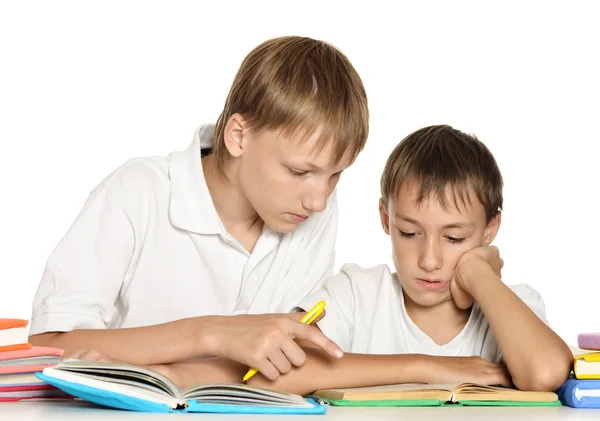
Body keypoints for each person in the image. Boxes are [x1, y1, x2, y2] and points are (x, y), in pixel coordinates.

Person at [28, 35, 370, 381]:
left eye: (336, 174)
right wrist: (211, 334)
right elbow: (46, 345)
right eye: (299, 172)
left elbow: (292, 360)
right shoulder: (138, 192)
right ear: (239, 136)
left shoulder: (313, 211)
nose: (319, 200)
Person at [149, 125, 572, 395]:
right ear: (385, 219)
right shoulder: (356, 292)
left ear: (490, 230)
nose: (429, 259)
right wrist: (428, 368)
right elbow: (273, 373)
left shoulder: (511, 305)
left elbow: (545, 373)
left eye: (455, 238)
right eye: (409, 233)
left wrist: (480, 275)